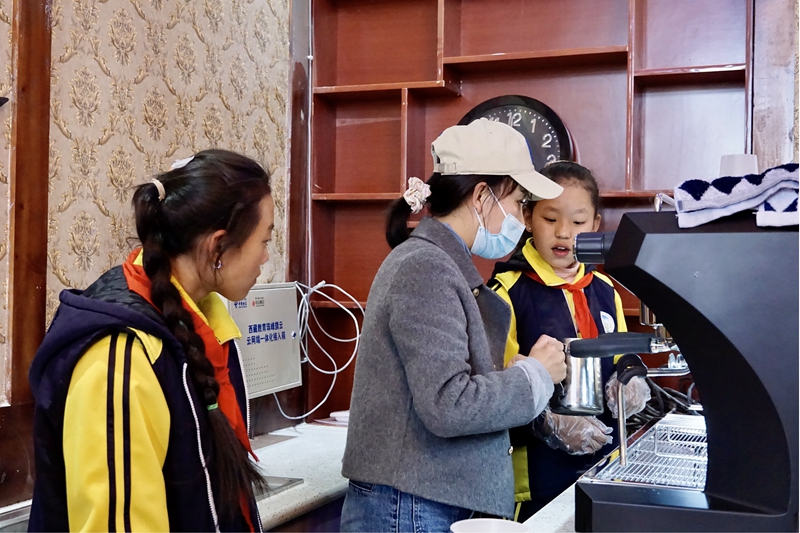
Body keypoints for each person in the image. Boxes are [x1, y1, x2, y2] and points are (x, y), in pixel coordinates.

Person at [339, 118, 568, 533]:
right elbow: (449, 404)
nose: (521, 218)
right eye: (518, 202)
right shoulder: (425, 267)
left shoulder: (439, 263)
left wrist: (509, 373)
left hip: (424, 501)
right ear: (481, 195)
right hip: (412, 507)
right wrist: (534, 376)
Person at [28, 150, 273, 532]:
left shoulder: (207, 328)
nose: (266, 257)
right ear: (219, 246)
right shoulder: (121, 354)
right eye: (264, 240)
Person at [489, 161, 650, 522]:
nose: (563, 232)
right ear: (527, 217)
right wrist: (549, 422)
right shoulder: (506, 293)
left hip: (605, 464)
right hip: (535, 476)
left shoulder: (605, 290)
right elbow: (497, 388)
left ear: (595, 225)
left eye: (578, 222)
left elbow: (623, 356)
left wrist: (630, 381)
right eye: (550, 219)